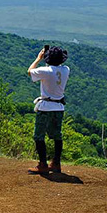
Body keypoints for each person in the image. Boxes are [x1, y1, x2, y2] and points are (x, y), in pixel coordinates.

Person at [27, 45, 70, 174]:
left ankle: (42, 164)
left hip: (45, 107)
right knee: (57, 135)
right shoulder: (66, 70)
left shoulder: (45, 71)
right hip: (59, 107)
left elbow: (29, 71)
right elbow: (57, 68)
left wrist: (38, 58)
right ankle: (56, 163)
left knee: (39, 136)